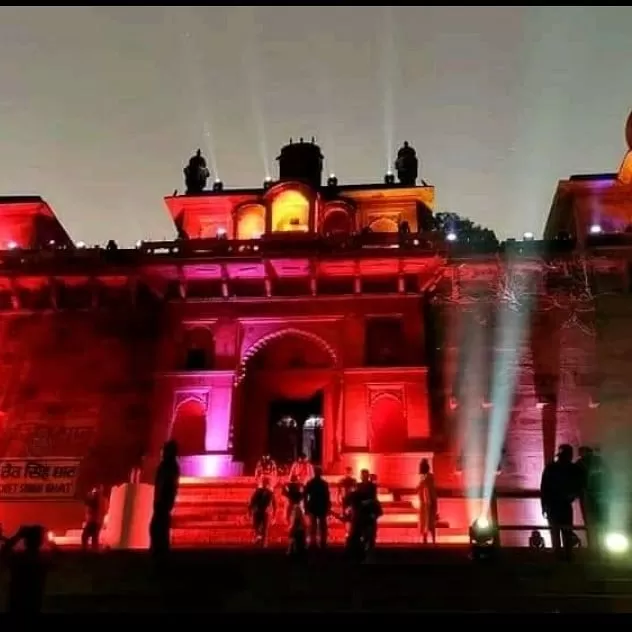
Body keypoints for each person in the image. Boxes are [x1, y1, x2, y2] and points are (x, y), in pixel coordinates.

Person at [540, 444, 581, 559]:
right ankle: (567, 554)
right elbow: (580, 484)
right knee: (566, 529)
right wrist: (572, 495)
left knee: (555, 529)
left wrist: (544, 506)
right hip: (563, 504)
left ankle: (558, 552)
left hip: (553, 504)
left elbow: (544, 488)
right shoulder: (573, 469)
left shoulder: (551, 468)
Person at [2, 525, 51, 613]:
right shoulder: (43, 560)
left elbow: (4, 552)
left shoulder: (18, 559)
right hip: (34, 604)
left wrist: (17, 536)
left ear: (25, 541)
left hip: (16, 604)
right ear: (40, 541)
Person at [149, 440, 180, 561]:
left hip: (162, 504)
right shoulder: (169, 466)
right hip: (163, 504)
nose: (161, 452)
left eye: (164, 450)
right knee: (158, 530)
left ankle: (159, 558)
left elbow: (164, 485)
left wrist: (161, 501)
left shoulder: (168, 467)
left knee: (157, 530)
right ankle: (160, 556)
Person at [304, 466, 331, 548]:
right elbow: (327, 496)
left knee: (314, 526)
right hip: (320, 506)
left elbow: (305, 495)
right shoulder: (323, 483)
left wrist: (306, 507)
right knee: (321, 526)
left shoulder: (310, 483)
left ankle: (314, 542)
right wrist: (328, 507)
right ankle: (322, 542)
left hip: (313, 505)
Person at [249, 476, 276, 546]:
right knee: (258, 528)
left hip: (265, 512)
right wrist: (250, 512)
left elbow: (275, 505)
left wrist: (274, 515)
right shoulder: (258, 491)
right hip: (259, 511)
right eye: (264, 482)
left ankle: (262, 543)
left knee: (264, 530)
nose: (265, 484)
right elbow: (252, 502)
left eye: (266, 482)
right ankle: (259, 539)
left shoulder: (270, 492)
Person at [417, 458, 438, 545]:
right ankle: (425, 540)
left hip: (429, 504)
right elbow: (420, 489)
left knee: (430, 522)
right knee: (424, 522)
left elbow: (430, 491)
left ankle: (433, 540)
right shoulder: (424, 478)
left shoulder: (429, 478)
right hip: (424, 504)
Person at [81, 485, 107, 551]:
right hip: (97, 522)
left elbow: (90, 507)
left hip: (93, 521)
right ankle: (94, 553)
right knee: (94, 539)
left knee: (85, 537)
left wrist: (90, 496)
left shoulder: (97, 499)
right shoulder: (102, 499)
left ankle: (87, 552)